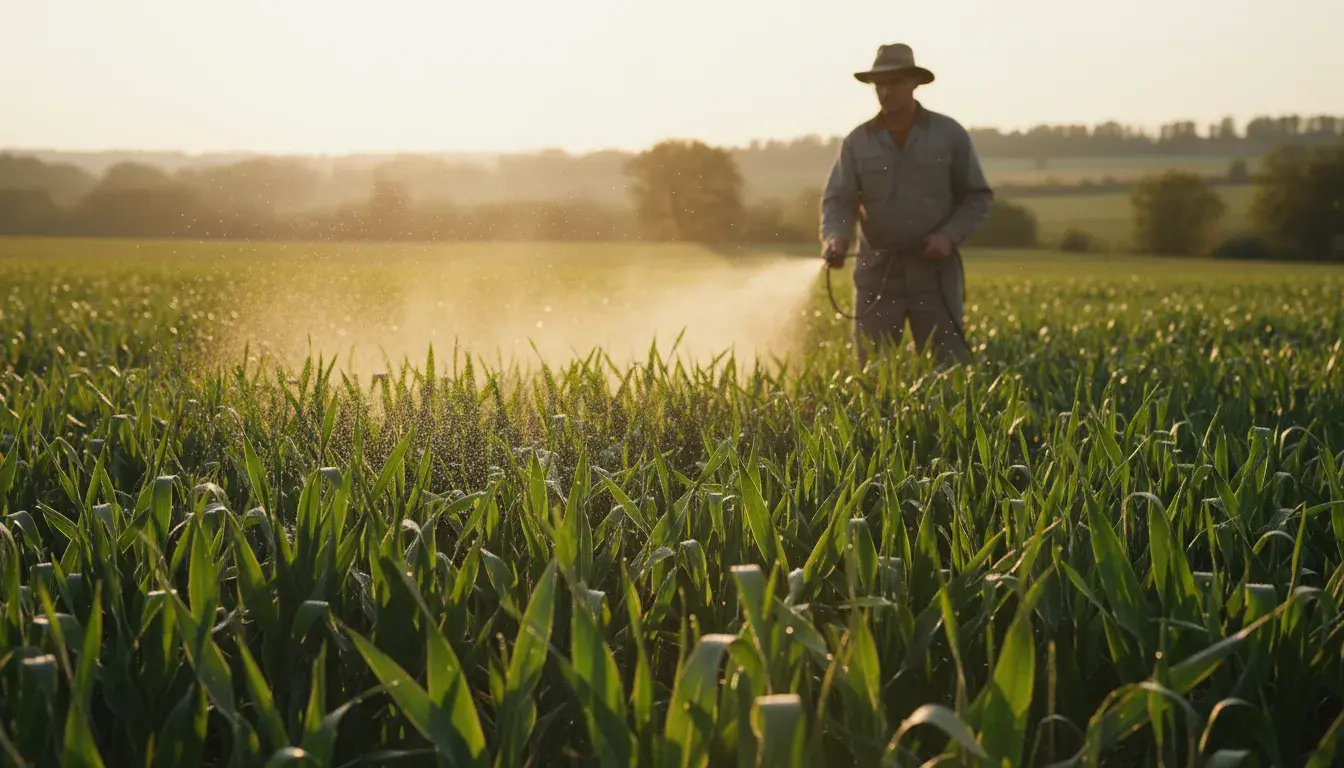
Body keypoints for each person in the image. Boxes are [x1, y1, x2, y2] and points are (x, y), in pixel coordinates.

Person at [820, 43, 993, 368]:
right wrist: (836, 238)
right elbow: (839, 200)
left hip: (935, 274)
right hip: (877, 274)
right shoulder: (857, 142)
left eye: (895, 82)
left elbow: (976, 197)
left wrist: (948, 237)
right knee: (873, 371)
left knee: (947, 369)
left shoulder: (949, 134)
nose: (885, 91)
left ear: (914, 82)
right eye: (879, 84)